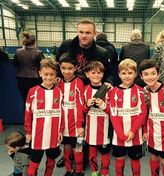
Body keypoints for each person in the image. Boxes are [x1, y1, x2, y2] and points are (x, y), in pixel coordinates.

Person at [56, 18, 112, 169]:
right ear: (77, 32)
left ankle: (84, 156)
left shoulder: (101, 52)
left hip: (87, 90)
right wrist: (57, 77)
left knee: (85, 124)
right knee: (68, 122)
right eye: (81, 32)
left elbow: (109, 72)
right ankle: (67, 155)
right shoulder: (67, 46)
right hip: (69, 87)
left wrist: (109, 82)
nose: (84, 35)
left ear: (94, 34)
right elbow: (58, 63)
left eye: (88, 32)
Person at [107, 58, 147, 176]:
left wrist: (133, 131)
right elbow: (113, 114)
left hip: (135, 135)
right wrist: (120, 133)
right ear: (119, 74)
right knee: (119, 159)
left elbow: (142, 114)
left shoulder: (140, 91)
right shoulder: (113, 91)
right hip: (119, 135)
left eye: (130, 73)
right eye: (124, 73)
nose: (127, 76)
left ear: (135, 74)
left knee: (135, 159)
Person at [24, 58, 64, 176]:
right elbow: (28, 113)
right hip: (38, 134)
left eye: (52, 74)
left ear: (55, 74)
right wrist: (29, 132)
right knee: (34, 160)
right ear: (40, 73)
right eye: (45, 74)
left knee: (51, 160)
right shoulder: (33, 91)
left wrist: (60, 130)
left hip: (53, 134)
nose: (48, 77)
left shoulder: (59, 92)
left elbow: (61, 113)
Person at [139, 59, 164, 176]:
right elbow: (145, 114)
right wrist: (144, 131)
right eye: (146, 74)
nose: (150, 77)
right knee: (153, 158)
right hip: (152, 133)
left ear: (158, 74)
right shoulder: (144, 92)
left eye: (153, 73)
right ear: (141, 76)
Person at [58, 53, 85, 176]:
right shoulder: (58, 83)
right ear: (60, 67)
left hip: (76, 126)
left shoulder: (79, 83)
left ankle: (79, 171)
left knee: (77, 148)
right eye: (63, 68)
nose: (66, 71)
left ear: (75, 68)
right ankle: (68, 170)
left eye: (70, 68)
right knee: (66, 147)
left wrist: (80, 125)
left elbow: (80, 106)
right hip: (63, 126)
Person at [83, 61, 111, 176]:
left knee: (105, 153)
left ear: (103, 74)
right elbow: (81, 111)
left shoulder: (109, 89)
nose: (96, 75)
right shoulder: (85, 90)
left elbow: (113, 111)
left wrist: (103, 106)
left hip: (105, 129)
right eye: (93, 72)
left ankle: (105, 173)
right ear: (87, 74)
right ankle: (95, 172)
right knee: (92, 154)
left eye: (99, 73)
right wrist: (87, 105)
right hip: (90, 130)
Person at [13, 31, 44, 103]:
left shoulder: (18, 51)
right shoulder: (38, 52)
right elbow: (43, 66)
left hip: (21, 80)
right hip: (34, 80)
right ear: (34, 42)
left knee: (25, 101)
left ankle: (26, 114)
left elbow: (15, 65)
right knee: (36, 100)